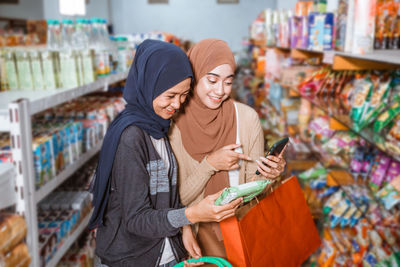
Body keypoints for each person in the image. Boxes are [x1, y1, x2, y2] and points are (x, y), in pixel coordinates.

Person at [89, 40, 242, 267]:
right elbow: (137, 220)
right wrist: (192, 215)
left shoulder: (157, 126)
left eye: (183, 95)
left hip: (162, 250)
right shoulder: (131, 137)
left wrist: (184, 227)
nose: (177, 104)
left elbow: (163, 191)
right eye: (170, 96)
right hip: (132, 258)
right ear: (149, 84)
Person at [169, 39, 287, 260]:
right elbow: (177, 197)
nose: (220, 91)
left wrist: (269, 174)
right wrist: (210, 165)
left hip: (241, 228)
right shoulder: (174, 125)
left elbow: (254, 186)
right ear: (194, 77)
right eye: (212, 80)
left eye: (228, 82)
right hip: (195, 235)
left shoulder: (246, 118)